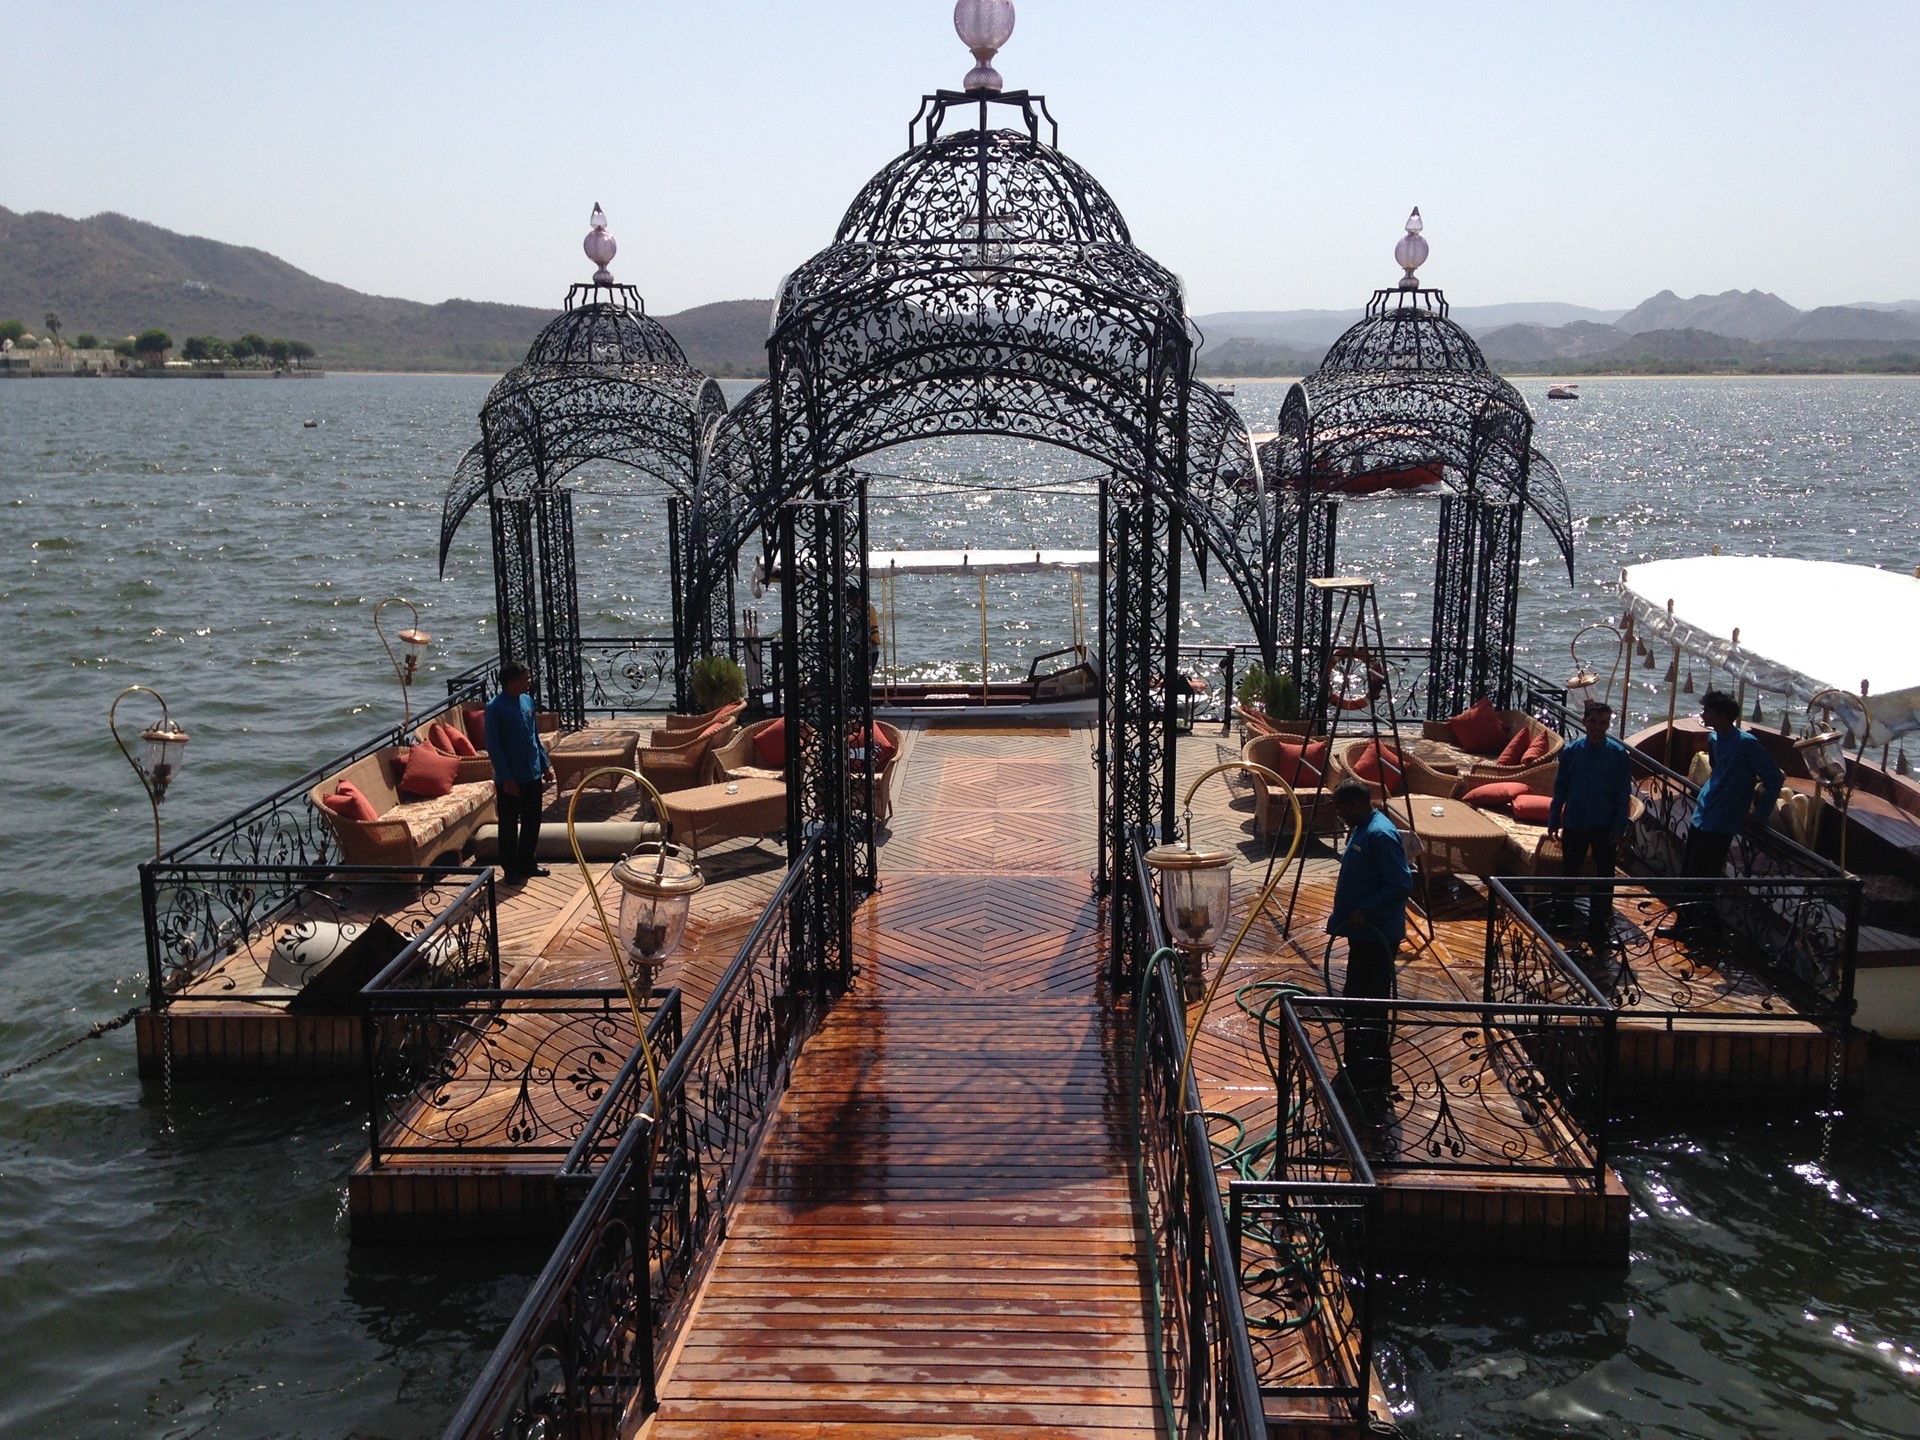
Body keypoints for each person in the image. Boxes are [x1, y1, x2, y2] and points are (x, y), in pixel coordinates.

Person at [1656, 689, 1784, 939]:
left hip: (1723, 821)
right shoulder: (1715, 738)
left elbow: (1774, 777)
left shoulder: (1747, 744)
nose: (1703, 715)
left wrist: (1759, 814)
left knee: (1704, 878)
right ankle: (1687, 924)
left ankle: (1706, 931)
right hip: (1704, 812)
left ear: (1723, 715)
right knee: (1689, 874)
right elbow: (1717, 768)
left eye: (1708, 711)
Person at [1328, 778, 1415, 1119]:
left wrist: (1366, 910)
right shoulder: (1363, 829)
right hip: (1361, 935)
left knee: (1368, 1006)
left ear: (1355, 805)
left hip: (1376, 936)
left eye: (1341, 808)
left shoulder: (1379, 834)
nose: (1339, 815)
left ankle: (1371, 1076)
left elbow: (1401, 883)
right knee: (1356, 1002)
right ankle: (1359, 1069)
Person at [1547, 701, 1634, 941]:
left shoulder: (1617, 755)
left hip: (1604, 824)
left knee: (1604, 877)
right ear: (1585, 721)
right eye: (1593, 721)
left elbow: (1622, 794)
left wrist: (1619, 826)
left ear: (1608, 725)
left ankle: (1598, 928)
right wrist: (1554, 819)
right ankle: (1564, 920)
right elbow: (1560, 788)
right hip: (1575, 821)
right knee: (1569, 872)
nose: (1598, 727)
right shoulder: (1572, 751)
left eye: (1603, 723)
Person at [484, 662, 554, 884]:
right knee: (509, 823)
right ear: (512, 681)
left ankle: (527, 862)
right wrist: (505, 778)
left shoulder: (527, 701)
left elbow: (534, 736)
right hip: (511, 778)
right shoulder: (495, 707)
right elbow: (494, 746)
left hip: (531, 772)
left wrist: (545, 765)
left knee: (533, 820)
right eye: (526, 678)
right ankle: (510, 868)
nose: (529, 681)